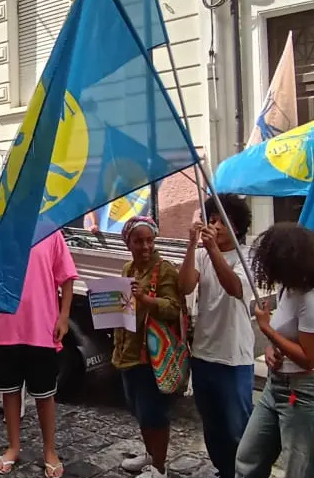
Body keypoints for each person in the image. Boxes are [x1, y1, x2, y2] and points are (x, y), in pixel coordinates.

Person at [236, 223, 314, 478]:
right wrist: (271, 348)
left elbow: (308, 359)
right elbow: (286, 336)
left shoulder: (312, 302)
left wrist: (266, 329)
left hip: (304, 395)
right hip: (276, 387)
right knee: (248, 458)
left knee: (299, 472)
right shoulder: (286, 290)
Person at [0, 232, 77, 477]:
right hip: (5, 325)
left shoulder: (51, 231)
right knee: (10, 391)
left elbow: (67, 276)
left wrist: (64, 316)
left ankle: (49, 450)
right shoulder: (1, 230)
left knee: (44, 394)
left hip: (41, 325)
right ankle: (14, 446)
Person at [176, 195, 255, 478]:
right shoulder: (200, 254)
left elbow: (235, 288)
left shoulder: (249, 258)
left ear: (238, 226)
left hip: (234, 358)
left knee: (238, 429)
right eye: (212, 220)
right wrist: (191, 245)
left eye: (223, 221)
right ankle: (225, 471)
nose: (216, 226)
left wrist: (212, 250)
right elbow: (184, 286)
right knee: (212, 427)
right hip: (203, 355)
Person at [115, 216, 184, 478]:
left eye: (149, 240)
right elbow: (122, 306)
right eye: (138, 241)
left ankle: (159, 468)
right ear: (128, 243)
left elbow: (173, 308)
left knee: (155, 414)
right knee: (139, 410)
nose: (145, 246)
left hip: (153, 356)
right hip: (128, 351)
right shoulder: (127, 269)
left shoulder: (164, 269)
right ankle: (150, 456)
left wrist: (145, 299)